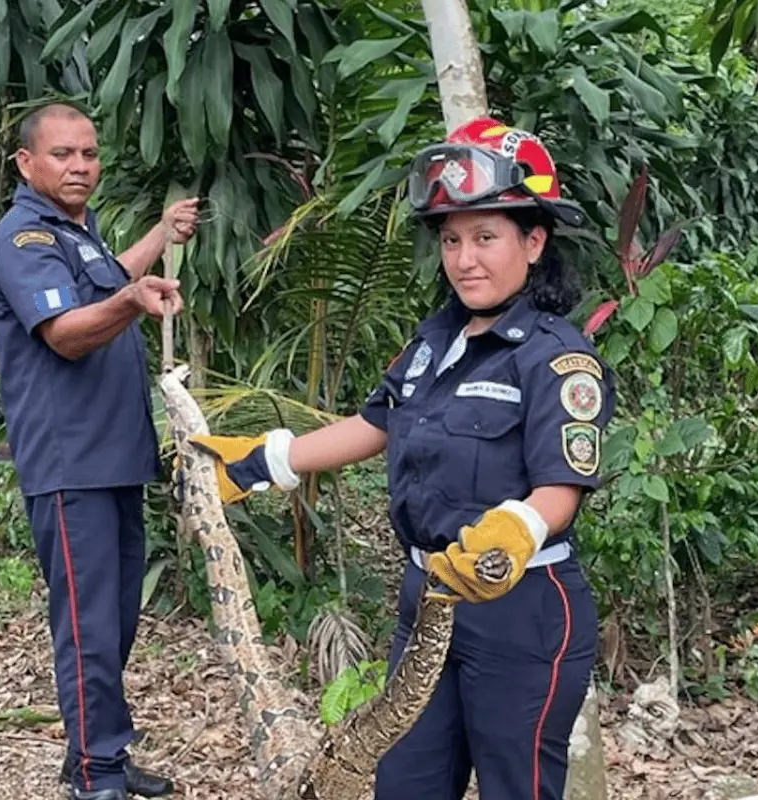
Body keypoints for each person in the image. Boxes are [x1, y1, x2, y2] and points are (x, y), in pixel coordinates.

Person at [188, 117, 616, 799]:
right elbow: (373, 423)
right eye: (451, 239)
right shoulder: (434, 341)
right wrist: (262, 461)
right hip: (428, 601)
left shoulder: (558, 360)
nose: (465, 258)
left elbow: (561, 485)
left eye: (485, 237)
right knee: (406, 781)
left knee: (518, 785)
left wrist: (514, 532)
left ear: (534, 242)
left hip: (523, 610)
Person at [0, 101, 199, 800]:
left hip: (116, 458)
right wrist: (134, 300)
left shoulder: (77, 231)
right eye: (63, 155)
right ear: (26, 163)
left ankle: (98, 751)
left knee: (114, 620)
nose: (80, 166)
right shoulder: (23, 239)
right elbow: (67, 332)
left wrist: (158, 238)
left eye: (89, 154)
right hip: (70, 463)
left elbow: (110, 281)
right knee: (87, 624)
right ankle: (95, 773)